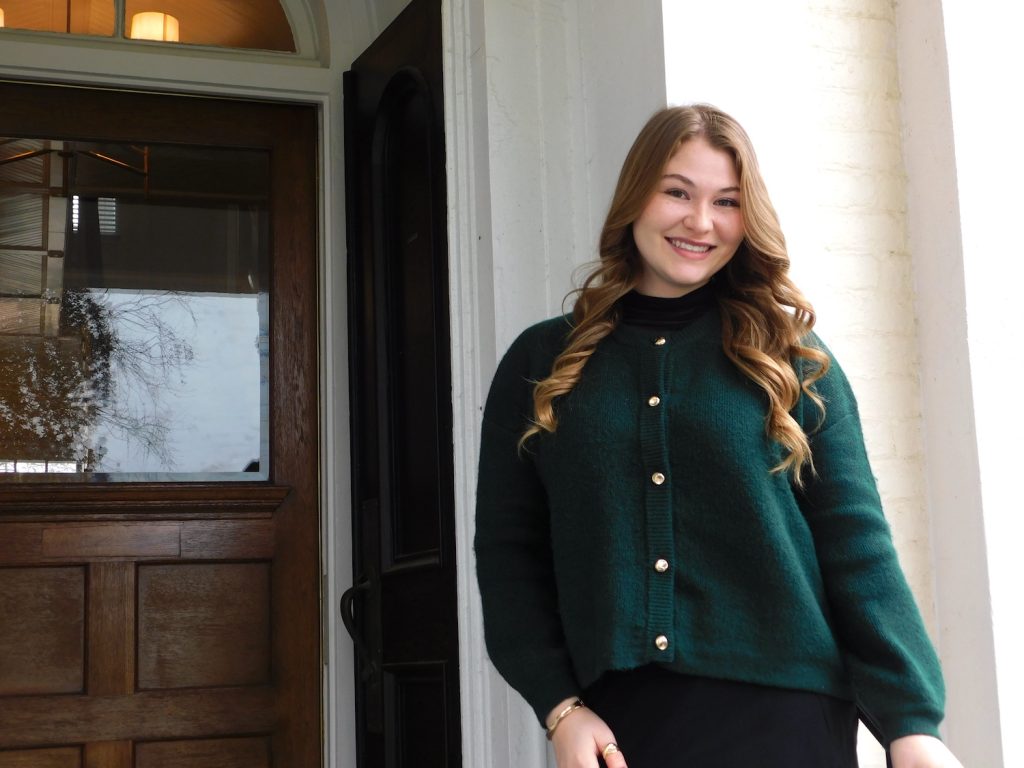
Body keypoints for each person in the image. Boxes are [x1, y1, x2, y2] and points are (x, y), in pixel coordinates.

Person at [473, 104, 965, 768]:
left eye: (726, 202)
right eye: (677, 191)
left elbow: (856, 544)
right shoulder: (543, 362)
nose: (700, 222)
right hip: (623, 729)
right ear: (635, 197)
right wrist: (560, 706)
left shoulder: (793, 359)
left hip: (789, 721)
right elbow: (508, 557)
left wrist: (911, 724)